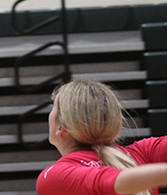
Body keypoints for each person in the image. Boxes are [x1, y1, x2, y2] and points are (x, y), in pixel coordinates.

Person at [37, 79, 167, 195]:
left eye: (54, 107)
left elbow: (113, 182)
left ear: (61, 126)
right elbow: (114, 181)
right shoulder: (143, 152)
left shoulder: (53, 177)